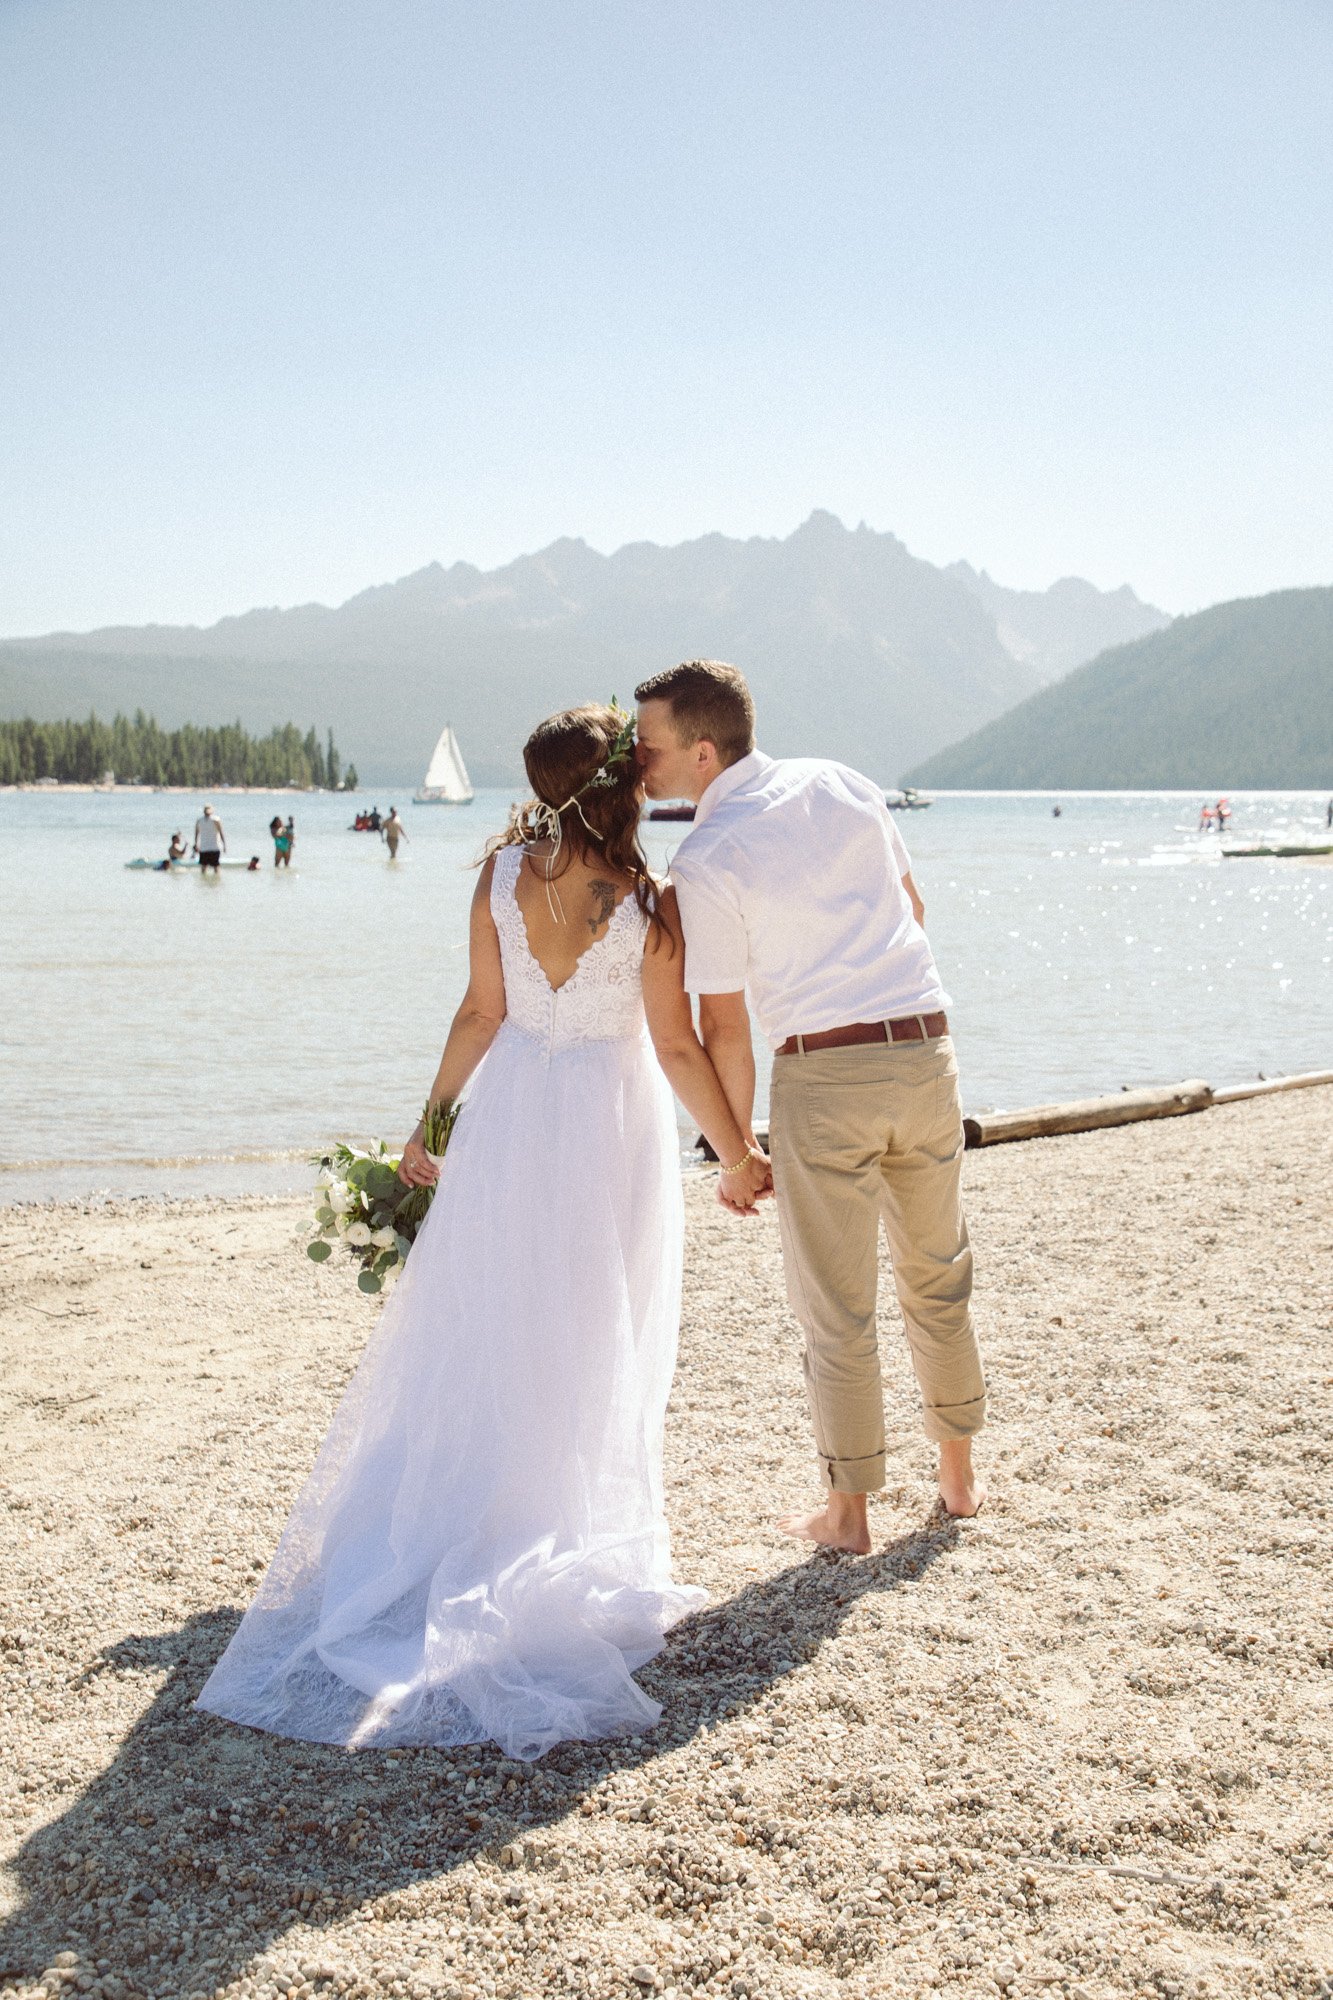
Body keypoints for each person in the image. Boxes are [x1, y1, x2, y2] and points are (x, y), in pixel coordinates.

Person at [195, 704, 767, 1759]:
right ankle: (558, 1529)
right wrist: (734, 1150)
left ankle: (482, 1514)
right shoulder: (648, 900)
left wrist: (431, 1125)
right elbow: (679, 1050)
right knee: (597, 1318)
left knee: (491, 1312)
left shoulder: (502, 875)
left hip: (510, 1111)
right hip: (608, 1117)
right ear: (621, 788)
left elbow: (477, 1012)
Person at [636, 660, 987, 1551]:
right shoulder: (841, 779)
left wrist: (732, 1152)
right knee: (937, 1274)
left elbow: (724, 1026)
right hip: (926, 1047)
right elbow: (913, 904)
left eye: (650, 747)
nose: (638, 763)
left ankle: (849, 1513)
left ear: (703, 751)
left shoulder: (707, 857)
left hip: (824, 1075)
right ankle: (957, 1480)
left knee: (837, 1307)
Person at [193, 805, 225, 871]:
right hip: (215, 847)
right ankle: (216, 881)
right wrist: (224, 845)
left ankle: (203, 881)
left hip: (204, 848)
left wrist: (196, 844)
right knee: (216, 868)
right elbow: (221, 833)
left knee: (203, 868)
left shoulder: (199, 820)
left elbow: (196, 834)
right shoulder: (216, 820)